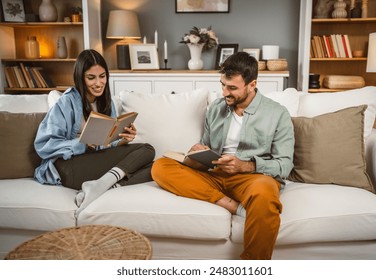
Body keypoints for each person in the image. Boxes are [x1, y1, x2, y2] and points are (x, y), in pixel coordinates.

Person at [151, 52, 294, 259]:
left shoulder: (277, 114)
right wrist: (198, 151)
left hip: (252, 178)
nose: (225, 92)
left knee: (265, 195)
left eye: (232, 88)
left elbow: (285, 165)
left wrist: (244, 166)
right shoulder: (217, 108)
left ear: (252, 84)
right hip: (214, 173)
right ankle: (231, 205)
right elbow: (209, 147)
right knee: (161, 166)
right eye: (223, 85)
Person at [34, 49, 155, 216]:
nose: (98, 83)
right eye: (91, 77)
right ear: (80, 78)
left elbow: (106, 145)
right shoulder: (66, 102)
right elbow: (44, 146)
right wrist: (82, 144)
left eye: (102, 76)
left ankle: (106, 186)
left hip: (92, 163)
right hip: (67, 168)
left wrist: (122, 140)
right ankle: (102, 185)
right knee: (147, 149)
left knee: (155, 167)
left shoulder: (106, 102)